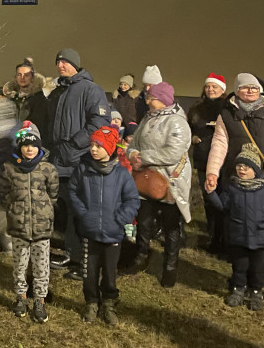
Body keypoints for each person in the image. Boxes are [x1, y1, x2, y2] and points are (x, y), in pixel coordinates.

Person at [205, 73, 264, 304]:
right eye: (245, 88)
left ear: (261, 92)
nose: (250, 91)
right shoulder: (227, 116)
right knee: (241, 232)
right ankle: (240, 281)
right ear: (237, 91)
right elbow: (219, 145)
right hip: (238, 180)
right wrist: (212, 173)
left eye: (254, 88)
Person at [42, 48, 111, 276]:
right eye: (58, 62)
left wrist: (73, 144)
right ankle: (70, 254)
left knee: (80, 211)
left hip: (79, 159)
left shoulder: (91, 90)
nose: (61, 65)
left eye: (66, 62)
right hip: (58, 159)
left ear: (76, 64)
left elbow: (99, 123)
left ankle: (84, 262)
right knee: (64, 209)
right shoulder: (58, 91)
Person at [205, 144, 264, 310]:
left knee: (257, 269)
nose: (242, 169)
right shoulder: (232, 189)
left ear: (256, 170)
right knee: (239, 267)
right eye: (239, 166)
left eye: (247, 166)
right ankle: (238, 290)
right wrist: (211, 193)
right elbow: (222, 206)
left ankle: (256, 292)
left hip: (260, 240)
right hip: (239, 237)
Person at [68, 126, 140, 326]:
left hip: (112, 234)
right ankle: (91, 301)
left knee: (109, 272)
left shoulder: (121, 175)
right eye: (91, 145)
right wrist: (84, 214)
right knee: (89, 272)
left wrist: (120, 219)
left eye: (98, 146)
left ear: (109, 149)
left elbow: (132, 200)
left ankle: (108, 302)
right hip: (89, 233)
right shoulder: (83, 170)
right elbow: (73, 192)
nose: (93, 149)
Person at [122, 81, 192, 286]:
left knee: (171, 225)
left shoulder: (177, 122)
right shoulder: (148, 119)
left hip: (169, 180)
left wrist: (143, 157)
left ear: (162, 100)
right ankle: (141, 256)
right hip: (146, 179)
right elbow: (133, 144)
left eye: (151, 98)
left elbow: (173, 152)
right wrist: (133, 154)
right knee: (143, 220)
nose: (147, 100)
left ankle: (170, 267)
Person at [0, 122, 58, 324]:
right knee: (19, 264)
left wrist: (45, 211)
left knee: (42, 266)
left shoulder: (48, 169)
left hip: (41, 227)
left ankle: (39, 299)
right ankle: (21, 297)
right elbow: (4, 192)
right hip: (19, 227)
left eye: (33, 145)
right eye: (25, 145)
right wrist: (14, 209)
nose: (30, 149)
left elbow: (54, 194)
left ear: (39, 146)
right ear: (20, 147)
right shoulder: (10, 169)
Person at [188, 73, 229, 254]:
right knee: (209, 199)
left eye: (215, 87)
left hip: (224, 161)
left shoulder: (228, 108)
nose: (210, 89)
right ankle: (213, 236)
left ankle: (225, 238)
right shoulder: (196, 108)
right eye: (208, 86)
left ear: (222, 90)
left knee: (223, 199)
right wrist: (192, 137)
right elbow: (188, 128)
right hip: (203, 159)